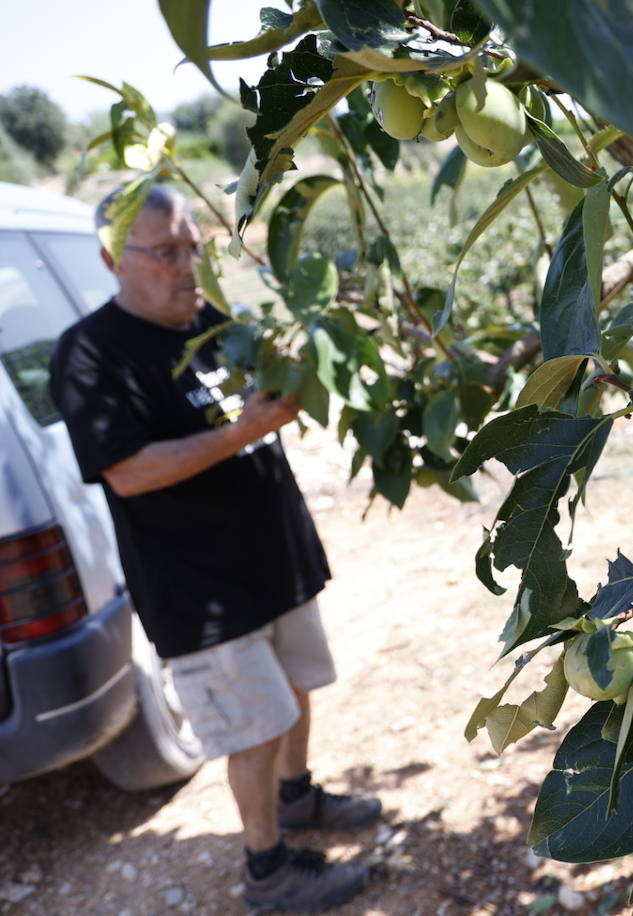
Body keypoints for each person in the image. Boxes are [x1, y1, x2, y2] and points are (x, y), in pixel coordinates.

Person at [49, 183, 379, 912]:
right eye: (165, 252)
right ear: (113, 259)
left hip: (273, 556)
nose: (185, 264)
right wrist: (241, 433)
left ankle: (297, 799)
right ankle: (267, 869)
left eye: (191, 247)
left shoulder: (210, 320)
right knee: (253, 730)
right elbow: (129, 472)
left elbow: (259, 394)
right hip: (200, 590)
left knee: (293, 693)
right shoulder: (90, 355)